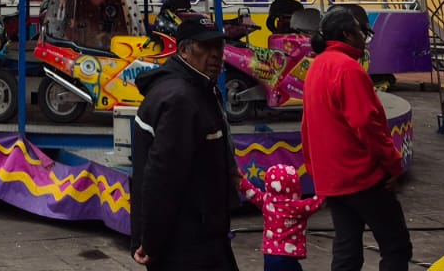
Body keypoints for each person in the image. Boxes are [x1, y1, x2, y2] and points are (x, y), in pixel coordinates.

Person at [301, 6, 411, 271]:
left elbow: (306, 126)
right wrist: (393, 165)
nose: (365, 37)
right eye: (362, 32)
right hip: (362, 177)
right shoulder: (348, 69)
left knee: (347, 250)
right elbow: (366, 124)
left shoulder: (316, 67)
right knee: (396, 246)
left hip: (333, 179)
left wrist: (317, 172)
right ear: (349, 35)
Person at [129, 16, 238, 271]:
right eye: (206, 47)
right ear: (184, 51)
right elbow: (162, 179)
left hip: (204, 234)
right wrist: (150, 241)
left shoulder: (198, 87)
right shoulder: (180, 98)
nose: (216, 56)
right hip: (186, 241)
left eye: (219, 47)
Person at [237, 162, 322, 271]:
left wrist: (239, 179)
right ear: (295, 186)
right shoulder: (297, 207)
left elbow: (251, 192)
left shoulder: (266, 202)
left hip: (269, 255)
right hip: (288, 257)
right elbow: (319, 200)